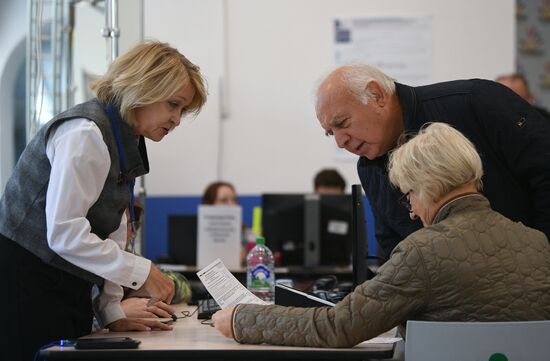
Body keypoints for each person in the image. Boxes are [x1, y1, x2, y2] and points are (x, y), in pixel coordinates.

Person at [212, 123, 550, 348]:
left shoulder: (422, 252)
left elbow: (338, 326)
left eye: (409, 196)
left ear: (428, 186)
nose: (412, 211)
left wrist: (243, 318)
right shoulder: (538, 243)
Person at [0, 40, 207, 360]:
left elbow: (113, 226)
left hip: (64, 282)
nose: (177, 119)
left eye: (182, 109)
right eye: (173, 104)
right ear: (144, 88)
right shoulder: (85, 133)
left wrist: (111, 309)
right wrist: (143, 270)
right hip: (25, 278)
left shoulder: (126, 138)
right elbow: (65, 233)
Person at [313, 63, 550, 259]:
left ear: (377, 95)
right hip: (447, 306)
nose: (340, 142)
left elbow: (545, 173)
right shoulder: (369, 168)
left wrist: (540, 261)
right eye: (330, 133)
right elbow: (394, 249)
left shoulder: (475, 102)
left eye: (342, 123)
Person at [121, 201, 192, 319]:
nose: (130, 233)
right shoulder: (86, 262)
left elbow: (183, 285)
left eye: (131, 225)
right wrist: (117, 312)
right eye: (121, 225)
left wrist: (152, 290)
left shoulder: (130, 256)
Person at [201, 181, 253, 264]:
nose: (231, 204)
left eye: (234, 200)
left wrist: (246, 255)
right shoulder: (198, 232)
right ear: (209, 204)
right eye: (223, 200)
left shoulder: (244, 230)